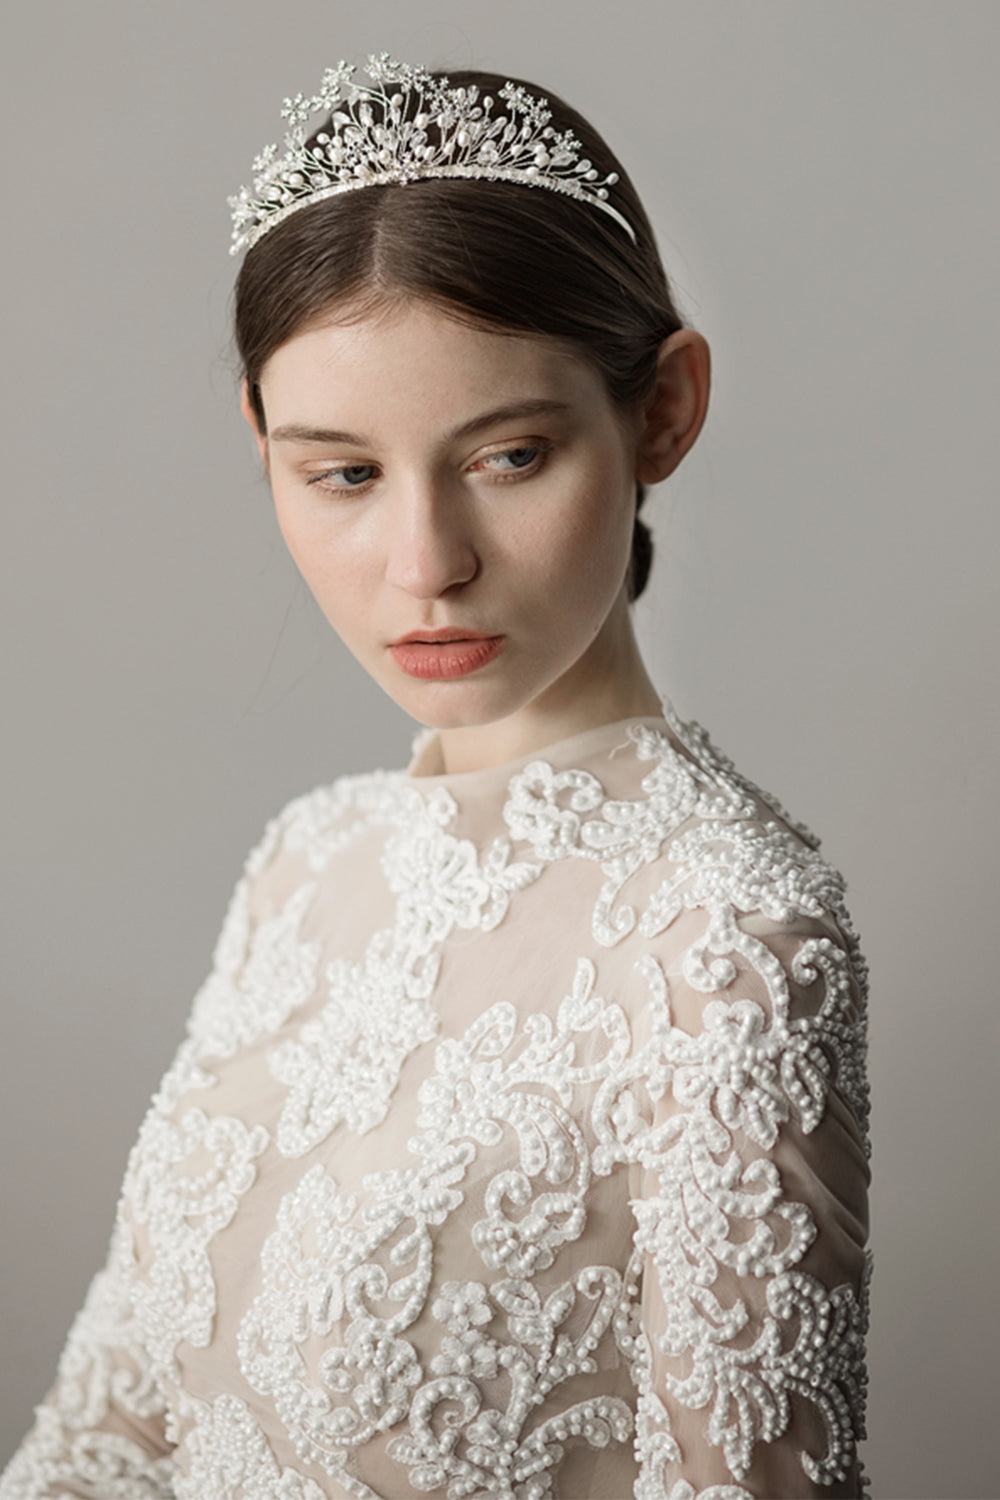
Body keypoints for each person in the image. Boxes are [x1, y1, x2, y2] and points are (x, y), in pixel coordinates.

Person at [0, 55, 872, 1500]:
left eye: (510, 454)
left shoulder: (730, 944)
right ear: (263, 450)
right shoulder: (304, 864)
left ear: (662, 412)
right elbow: (117, 1426)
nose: (426, 566)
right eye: (341, 473)